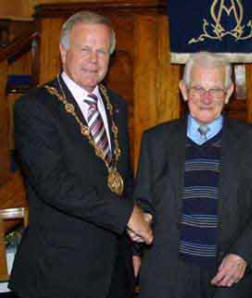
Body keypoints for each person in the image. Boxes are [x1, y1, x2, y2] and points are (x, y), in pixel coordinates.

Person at [9, 11, 153, 298]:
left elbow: (121, 178)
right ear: (64, 52)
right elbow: (54, 184)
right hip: (60, 274)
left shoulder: (116, 104)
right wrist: (126, 215)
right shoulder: (35, 107)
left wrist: (134, 247)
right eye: (85, 49)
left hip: (115, 271)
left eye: (102, 51)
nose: (94, 59)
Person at [134, 51, 252, 298]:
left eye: (216, 90)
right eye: (198, 88)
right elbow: (143, 203)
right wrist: (135, 247)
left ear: (230, 92)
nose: (207, 98)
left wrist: (243, 254)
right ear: (184, 89)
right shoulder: (155, 140)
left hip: (230, 278)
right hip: (168, 279)